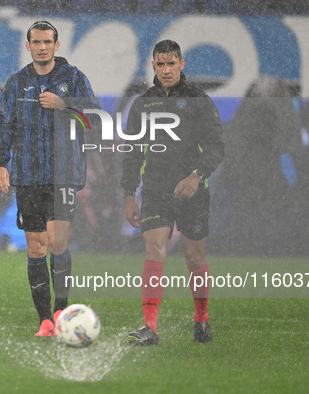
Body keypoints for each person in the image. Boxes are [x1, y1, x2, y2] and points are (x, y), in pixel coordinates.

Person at [0, 21, 99, 336]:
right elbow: (3, 124)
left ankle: (60, 311)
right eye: (36, 42)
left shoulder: (74, 78)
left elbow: (95, 118)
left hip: (63, 174)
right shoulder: (18, 82)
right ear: (28, 45)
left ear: (57, 44)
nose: (42, 47)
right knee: (36, 246)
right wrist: (0, 163)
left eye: (47, 42)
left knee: (57, 241)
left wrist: (64, 105)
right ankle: (46, 320)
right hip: (27, 176)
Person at [121, 39, 224, 345]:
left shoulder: (199, 100)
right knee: (154, 249)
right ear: (153, 66)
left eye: (171, 63)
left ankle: (201, 318)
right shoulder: (142, 104)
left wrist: (196, 176)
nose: (166, 70)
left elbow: (217, 148)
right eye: (160, 64)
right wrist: (129, 194)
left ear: (182, 65)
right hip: (154, 191)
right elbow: (132, 151)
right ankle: (150, 327)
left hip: (193, 193)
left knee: (194, 257)